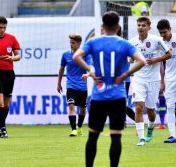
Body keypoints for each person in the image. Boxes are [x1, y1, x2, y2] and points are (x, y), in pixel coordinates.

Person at [73, 11, 146, 167]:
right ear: (118, 26)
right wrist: (126, 73)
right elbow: (141, 61)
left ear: (103, 26)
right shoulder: (125, 43)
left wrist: (90, 70)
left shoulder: (93, 42)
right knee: (116, 136)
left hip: (98, 97)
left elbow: (76, 56)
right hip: (118, 97)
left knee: (92, 136)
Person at [129, 16, 172, 146]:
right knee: (138, 107)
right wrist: (130, 59)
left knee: (151, 110)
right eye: (139, 25)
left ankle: (151, 127)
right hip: (138, 78)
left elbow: (169, 54)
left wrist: (155, 60)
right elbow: (128, 57)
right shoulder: (132, 42)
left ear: (149, 27)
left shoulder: (157, 40)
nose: (140, 27)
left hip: (153, 80)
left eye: (143, 25)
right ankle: (141, 138)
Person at [0, 16, 21, 138]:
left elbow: (18, 56)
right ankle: (3, 128)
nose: (2, 30)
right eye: (0, 27)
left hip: (9, 73)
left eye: (4, 28)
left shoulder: (12, 38)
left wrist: (12, 58)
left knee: (6, 104)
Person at [57, 34, 90, 137]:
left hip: (82, 86)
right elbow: (61, 68)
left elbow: (90, 68)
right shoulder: (65, 55)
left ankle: (79, 127)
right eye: (70, 42)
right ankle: (74, 129)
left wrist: (87, 74)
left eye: (73, 43)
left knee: (82, 109)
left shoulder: (85, 55)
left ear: (79, 43)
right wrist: (58, 83)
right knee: (71, 106)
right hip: (70, 85)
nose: (71, 45)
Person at [157, 19, 176, 143]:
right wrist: (162, 81)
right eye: (161, 33)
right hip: (169, 78)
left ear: (170, 29)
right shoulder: (160, 43)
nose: (163, 35)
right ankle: (173, 135)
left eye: (165, 32)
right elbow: (161, 64)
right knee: (170, 106)